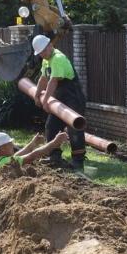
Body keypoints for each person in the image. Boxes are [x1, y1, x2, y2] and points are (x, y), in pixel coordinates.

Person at [31, 34, 87, 170]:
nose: (42, 55)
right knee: (51, 126)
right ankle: (54, 156)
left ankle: (78, 161)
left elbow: (53, 81)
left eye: (44, 51)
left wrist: (45, 102)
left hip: (73, 98)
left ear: (50, 45)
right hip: (61, 99)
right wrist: (36, 95)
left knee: (75, 129)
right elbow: (43, 79)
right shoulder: (46, 60)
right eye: (40, 53)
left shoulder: (58, 58)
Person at [0, 131, 69, 168]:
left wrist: (33, 144)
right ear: (2, 148)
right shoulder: (6, 162)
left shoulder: (0, 161)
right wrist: (55, 142)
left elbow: (16, 156)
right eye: (10, 143)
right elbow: (32, 156)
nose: (12, 145)